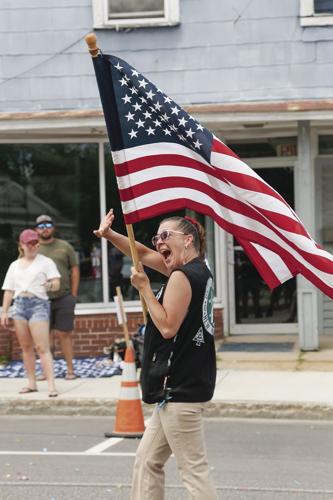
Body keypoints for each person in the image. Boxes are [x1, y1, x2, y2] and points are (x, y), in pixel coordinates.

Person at [94, 209, 218, 500]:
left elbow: (166, 327)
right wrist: (110, 234)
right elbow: (143, 254)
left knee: (193, 470)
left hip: (180, 388)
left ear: (187, 240)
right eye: (157, 236)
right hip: (177, 388)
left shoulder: (183, 276)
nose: (159, 242)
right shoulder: (198, 269)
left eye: (166, 236)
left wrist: (146, 289)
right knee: (147, 461)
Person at [1, 229, 60, 397]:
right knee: (26, 347)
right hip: (19, 306)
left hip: (38, 304)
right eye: (30, 243)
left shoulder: (46, 262)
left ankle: (51, 385)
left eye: (36, 242)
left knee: (42, 347)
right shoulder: (14, 265)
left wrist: (49, 285)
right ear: (22, 245)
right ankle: (32, 383)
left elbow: (56, 282)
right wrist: (4, 312)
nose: (34, 246)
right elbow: (9, 291)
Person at [35, 215, 80, 380]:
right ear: (36, 229)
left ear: (53, 227)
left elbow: (75, 269)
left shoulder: (64, 246)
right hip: (40, 299)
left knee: (64, 334)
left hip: (63, 297)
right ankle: (46, 371)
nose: (44, 228)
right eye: (40, 226)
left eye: (48, 224)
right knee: (44, 337)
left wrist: (73, 295)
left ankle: (70, 370)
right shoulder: (34, 248)